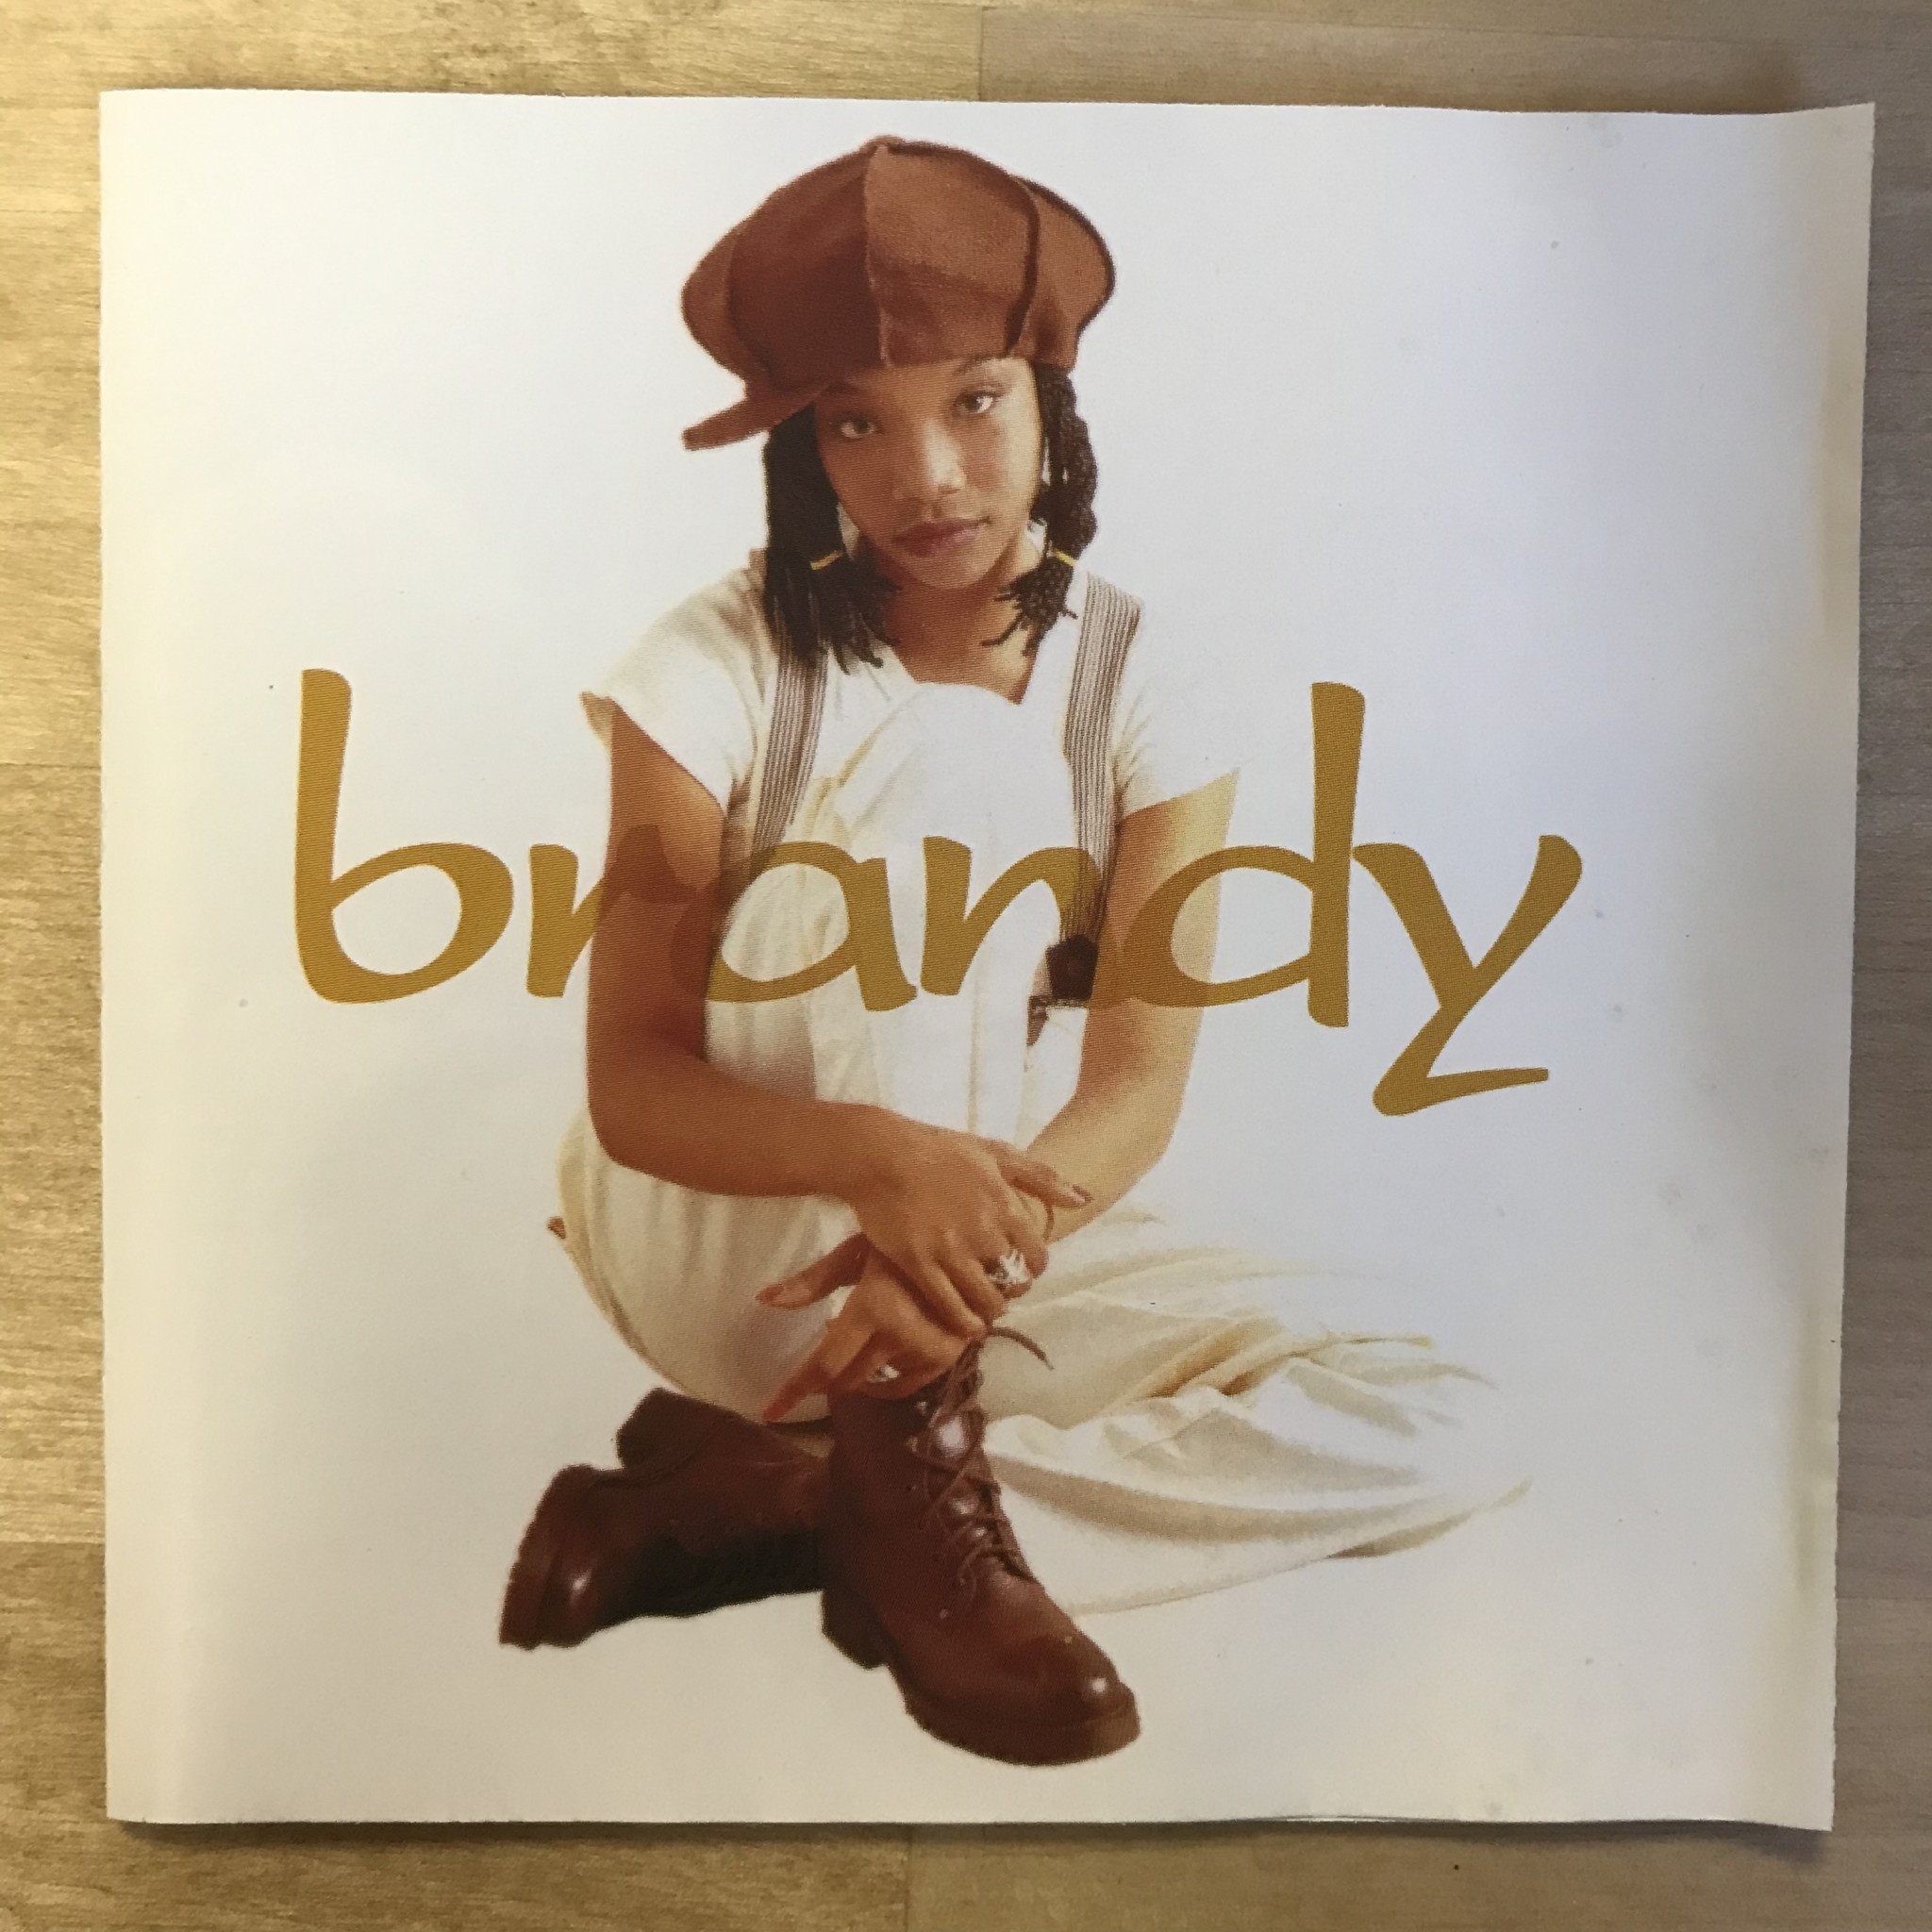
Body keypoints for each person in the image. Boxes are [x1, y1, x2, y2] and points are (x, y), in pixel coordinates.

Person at [500, 135, 1525, 1768]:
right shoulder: (708, 667)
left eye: (975, 402)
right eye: (856, 421)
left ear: (1053, 404)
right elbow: (633, 1089)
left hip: (959, 1251)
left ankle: (832, 1509)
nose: (928, 476)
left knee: (1468, 1412)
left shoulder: (1145, 677)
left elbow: (1131, 1091)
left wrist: (960, 1247)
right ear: (803, 448)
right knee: (961, 758)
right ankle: (907, 1495)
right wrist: (883, 1161)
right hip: (724, 1240)